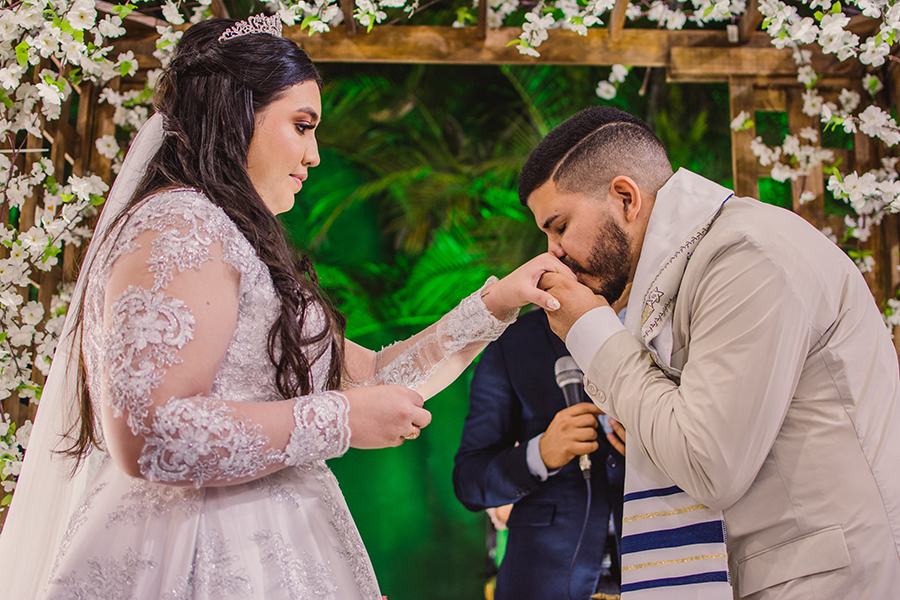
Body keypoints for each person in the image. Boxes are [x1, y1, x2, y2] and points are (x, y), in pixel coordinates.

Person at [0, 17, 574, 600]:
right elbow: (148, 432)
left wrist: (495, 305)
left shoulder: (229, 236)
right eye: (301, 126)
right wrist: (342, 421)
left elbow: (374, 376)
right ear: (235, 112)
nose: (315, 154)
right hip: (195, 556)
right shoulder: (181, 225)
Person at [522, 105, 900, 599]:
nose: (553, 252)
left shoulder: (747, 256)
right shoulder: (692, 269)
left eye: (560, 225)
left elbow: (707, 465)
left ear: (624, 198)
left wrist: (593, 334)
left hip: (821, 579)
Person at [454, 308, 626, 600]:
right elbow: (469, 481)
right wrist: (540, 455)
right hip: (543, 580)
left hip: (667, 563)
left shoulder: (666, 321)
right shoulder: (514, 341)